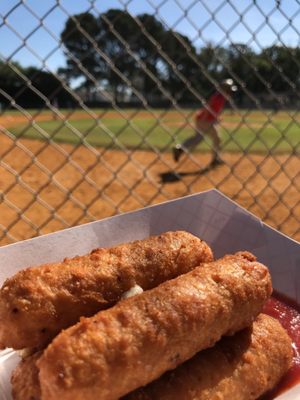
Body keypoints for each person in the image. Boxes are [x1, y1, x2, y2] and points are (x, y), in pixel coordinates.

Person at [173, 79, 237, 166]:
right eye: (229, 90)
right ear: (225, 89)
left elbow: (214, 109)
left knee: (198, 138)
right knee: (216, 139)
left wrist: (216, 118)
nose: (230, 93)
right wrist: (204, 119)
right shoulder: (218, 97)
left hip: (205, 120)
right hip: (206, 120)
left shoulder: (221, 97)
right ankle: (215, 159)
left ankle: (180, 148)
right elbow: (208, 107)